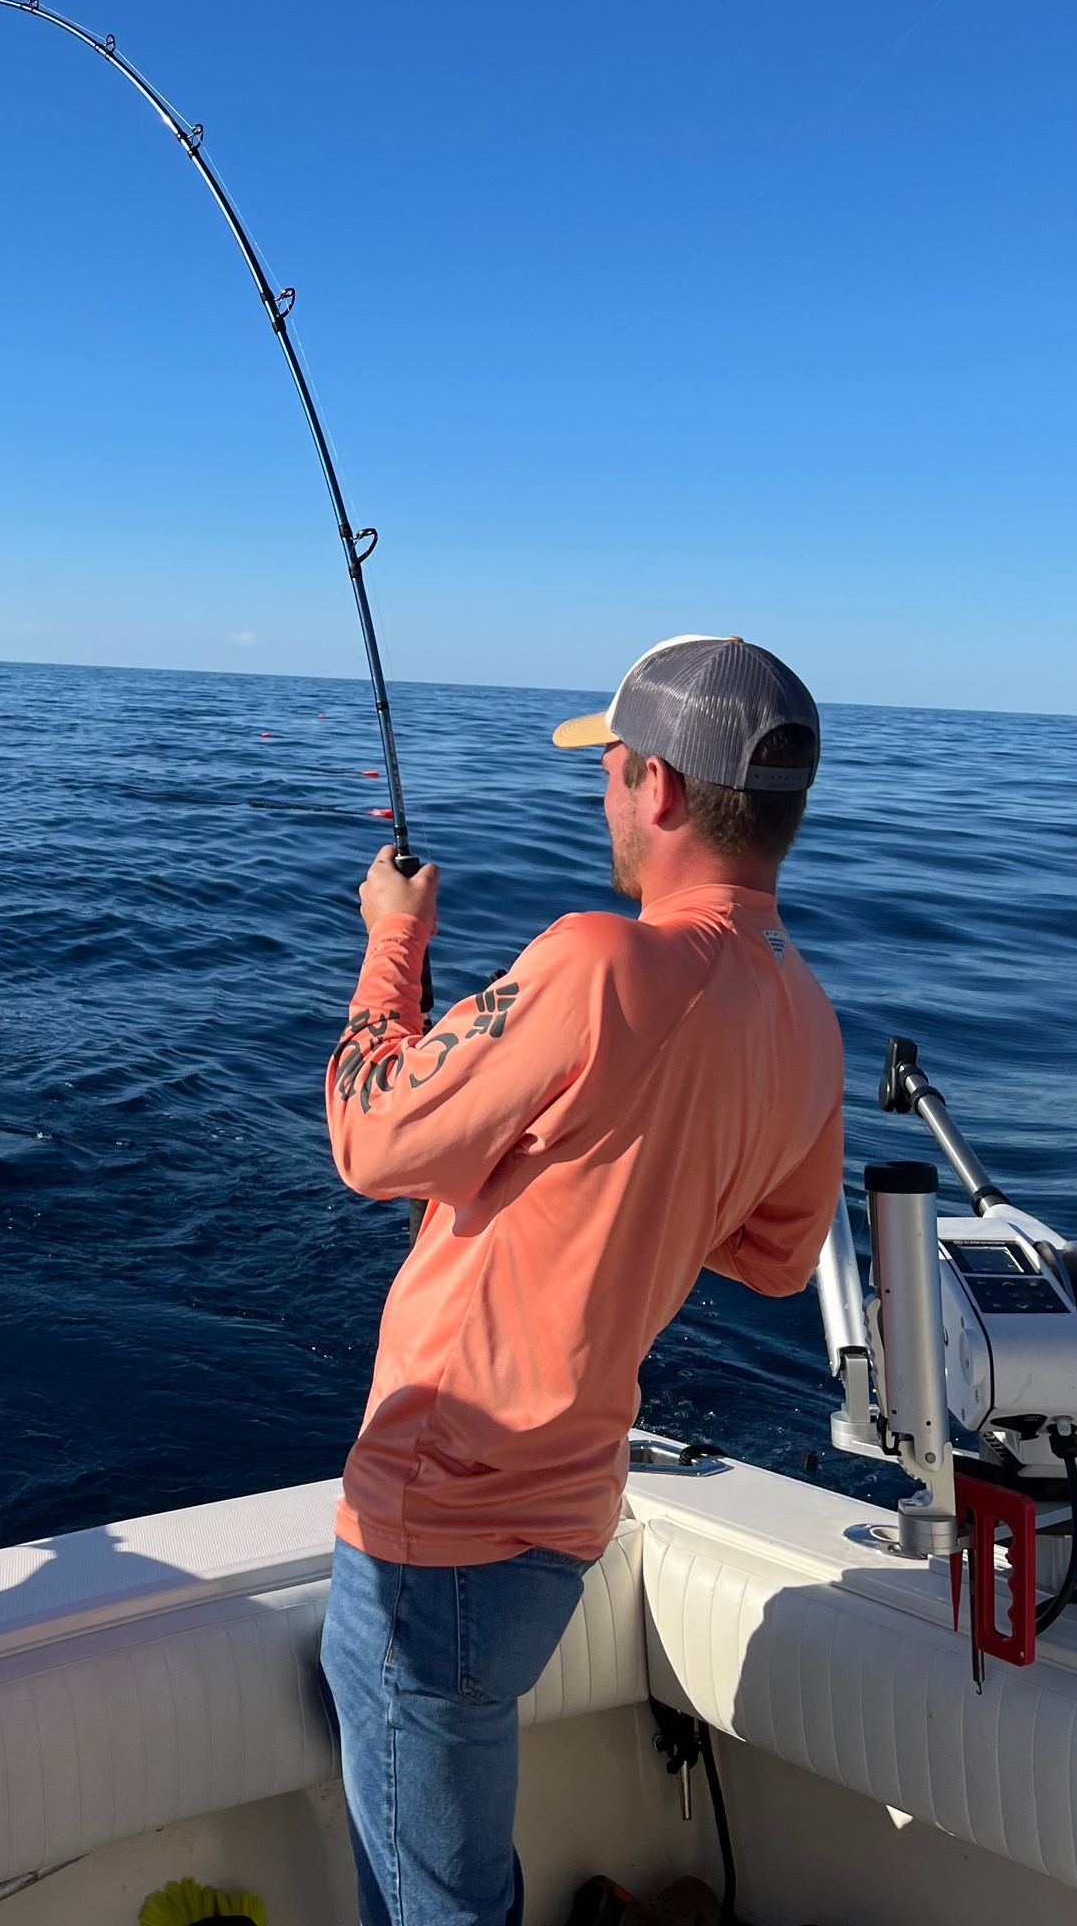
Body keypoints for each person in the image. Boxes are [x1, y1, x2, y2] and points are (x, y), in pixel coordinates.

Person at [318, 635, 846, 1926]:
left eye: (610, 769)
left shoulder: (599, 964)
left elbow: (368, 1135)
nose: (603, 794)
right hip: (561, 1531)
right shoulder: (806, 1018)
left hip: (438, 1537)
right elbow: (777, 1255)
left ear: (661, 789)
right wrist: (608, 1181)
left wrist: (396, 945)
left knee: (442, 1908)